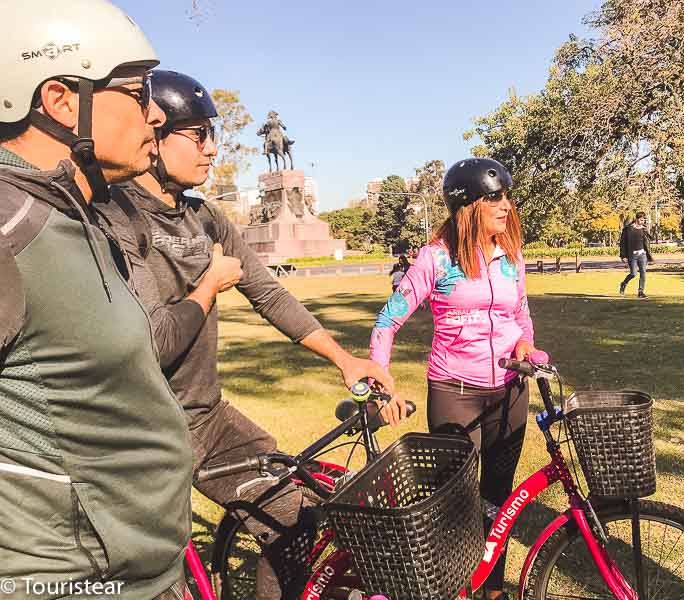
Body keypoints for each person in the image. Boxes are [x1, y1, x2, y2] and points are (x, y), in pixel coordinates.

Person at [96, 70, 401, 600]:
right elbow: (156, 340)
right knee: (157, 579)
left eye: (213, 133)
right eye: (198, 135)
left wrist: (343, 360)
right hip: (143, 430)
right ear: (155, 135)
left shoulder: (208, 218)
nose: (212, 148)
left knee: (296, 520)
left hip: (206, 416)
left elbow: (270, 294)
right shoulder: (115, 217)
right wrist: (210, 283)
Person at [0, 2, 194, 598]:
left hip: (142, 569)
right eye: (138, 93)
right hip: (70, 580)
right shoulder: (10, 227)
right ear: (60, 101)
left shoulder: (82, 215)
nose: (156, 112)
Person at [370, 158, 543, 600]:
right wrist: (380, 378)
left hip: (510, 392)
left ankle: (493, 590)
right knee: (457, 505)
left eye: (507, 195)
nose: (507, 205)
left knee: (498, 499)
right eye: (495, 197)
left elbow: (520, 313)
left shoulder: (512, 255)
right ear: (469, 207)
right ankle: (455, 588)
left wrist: (525, 344)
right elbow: (387, 321)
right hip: (454, 394)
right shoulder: (437, 257)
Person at [619, 211, 653, 298]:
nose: (643, 222)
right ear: (637, 219)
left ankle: (640, 292)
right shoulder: (628, 229)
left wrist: (649, 256)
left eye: (644, 220)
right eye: (641, 220)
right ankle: (624, 283)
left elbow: (648, 242)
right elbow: (622, 243)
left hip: (642, 255)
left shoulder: (644, 229)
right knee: (633, 273)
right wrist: (623, 256)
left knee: (643, 273)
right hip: (632, 255)